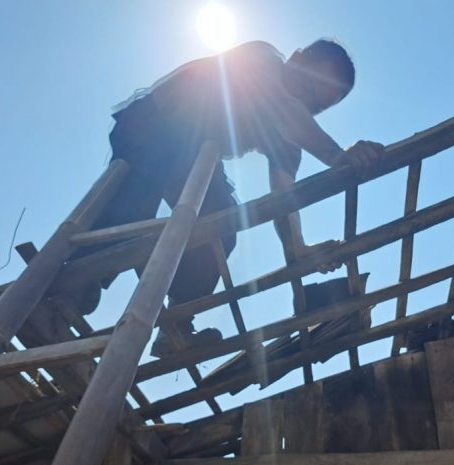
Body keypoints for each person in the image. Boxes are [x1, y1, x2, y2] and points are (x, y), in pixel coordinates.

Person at [85, 39, 384, 356]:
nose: (305, 104)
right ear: (294, 59)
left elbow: (284, 200)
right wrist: (336, 155)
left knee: (222, 224)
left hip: (195, 156)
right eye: (308, 87)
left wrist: (298, 248)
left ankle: (176, 325)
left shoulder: (287, 140)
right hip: (154, 123)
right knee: (136, 199)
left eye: (317, 107)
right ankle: (71, 296)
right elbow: (283, 105)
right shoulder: (262, 59)